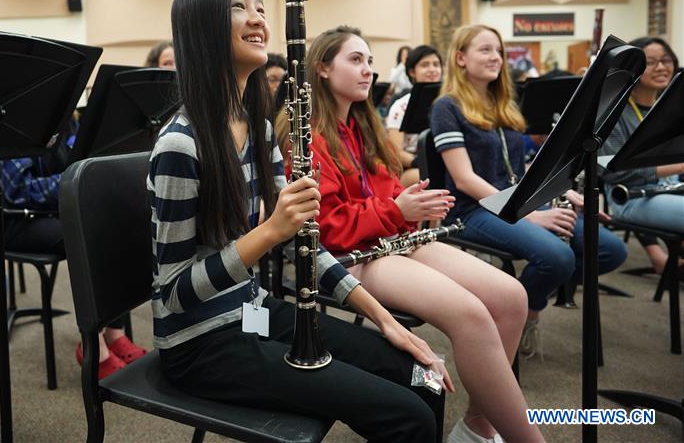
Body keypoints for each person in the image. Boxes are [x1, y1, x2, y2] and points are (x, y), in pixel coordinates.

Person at [149, 0, 450, 443]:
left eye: (261, 8)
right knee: (408, 416)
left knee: (421, 375)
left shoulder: (261, 130)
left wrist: (385, 320)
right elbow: (173, 293)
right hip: (201, 344)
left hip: (253, 311)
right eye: (238, 7)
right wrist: (270, 231)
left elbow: (303, 246)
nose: (258, 19)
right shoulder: (180, 145)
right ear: (200, 27)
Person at [282, 25, 541, 443]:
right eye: (355, 60)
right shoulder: (304, 136)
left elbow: (387, 194)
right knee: (471, 315)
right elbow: (325, 228)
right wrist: (395, 209)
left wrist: (412, 204)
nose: (368, 70)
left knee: (512, 297)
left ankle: (478, 426)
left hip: (390, 240)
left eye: (369, 60)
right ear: (322, 68)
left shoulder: (366, 128)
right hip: (352, 257)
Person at [430, 24, 627, 359]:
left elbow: (524, 170)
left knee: (608, 249)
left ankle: (519, 304)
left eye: (499, 51)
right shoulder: (446, 107)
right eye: (485, 49)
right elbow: (463, 179)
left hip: (516, 202)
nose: (496, 57)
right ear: (460, 58)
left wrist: (559, 192)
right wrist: (530, 214)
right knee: (558, 257)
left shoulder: (505, 104)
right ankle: (525, 312)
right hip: (474, 209)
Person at [0, 114, 147, 377]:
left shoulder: (68, 118)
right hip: (18, 221)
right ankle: (94, 344)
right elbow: (18, 191)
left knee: (119, 225)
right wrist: (76, 179)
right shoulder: (14, 120)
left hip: (59, 212)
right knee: (93, 235)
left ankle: (114, 334)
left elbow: (84, 159)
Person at [601, 36, 683, 276]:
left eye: (666, 60)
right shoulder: (615, 112)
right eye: (651, 62)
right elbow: (615, 172)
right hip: (628, 197)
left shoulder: (671, 107)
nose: (661, 67)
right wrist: (678, 167)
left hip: (669, 188)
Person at [385, 45, 443, 187]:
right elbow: (395, 152)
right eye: (425, 65)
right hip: (414, 167)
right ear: (412, 72)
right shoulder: (400, 106)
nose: (432, 69)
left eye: (436, 64)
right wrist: (421, 162)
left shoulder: (451, 101)